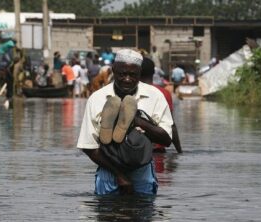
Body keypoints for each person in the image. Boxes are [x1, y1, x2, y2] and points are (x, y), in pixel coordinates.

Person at [77, 48, 174, 196]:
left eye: (132, 75)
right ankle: (115, 128)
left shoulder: (155, 96)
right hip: (109, 168)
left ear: (140, 73)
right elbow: (88, 147)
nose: (127, 79)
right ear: (113, 70)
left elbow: (166, 139)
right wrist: (120, 176)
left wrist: (138, 121)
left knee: (112, 213)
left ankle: (131, 121)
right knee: (138, 213)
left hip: (140, 166)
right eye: (122, 74)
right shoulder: (97, 98)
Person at [140, 57, 183, 154]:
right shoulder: (164, 93)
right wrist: (179, 150)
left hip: (135, 150)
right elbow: (171, 124)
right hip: (158, 152)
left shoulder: (130, 92)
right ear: (153, 72)